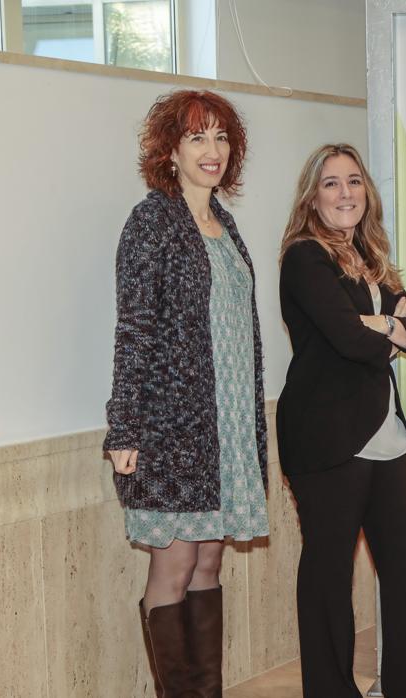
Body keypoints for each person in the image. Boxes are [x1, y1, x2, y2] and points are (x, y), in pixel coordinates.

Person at [104, 89, 269, 696]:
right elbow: (135, 328)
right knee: (174, 563)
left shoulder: (224, 225)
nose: (212, 150)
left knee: (208, 560)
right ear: (169, 150)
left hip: (225, 429)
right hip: (174, 427)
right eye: (197, 137)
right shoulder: (153, 221)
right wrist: (123, 427)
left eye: (221, 137)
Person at [276, 144, 406, 698]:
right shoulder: (305, 257)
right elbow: (346, 338)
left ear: (366, 191)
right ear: (312, 198)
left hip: (388, 436)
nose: (345, 193)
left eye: (353, 182)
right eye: (330, 184)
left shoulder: (371, 257)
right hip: (327, 439)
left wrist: (383, 325)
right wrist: (389, 326)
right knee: (328, 578)